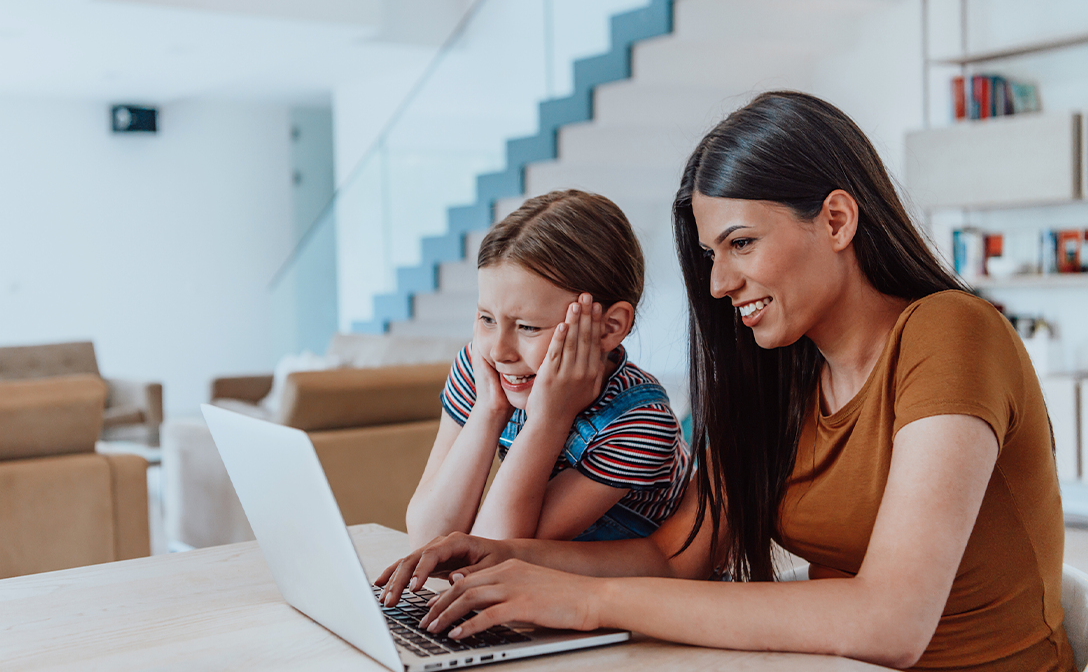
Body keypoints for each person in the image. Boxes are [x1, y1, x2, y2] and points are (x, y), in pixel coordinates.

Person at [377, 91, 1073, 671]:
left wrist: (584, 600)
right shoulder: (784, 375)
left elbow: (890, 619)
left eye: (741, 243)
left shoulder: (952, 331)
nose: (717, 282)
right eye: (712, 253)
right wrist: (507, 558)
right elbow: (671, 556)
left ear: (836, 219)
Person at [405, 189, 691, 550]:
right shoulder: (484, 371)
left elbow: (496, 551)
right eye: (487, 318)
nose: (499, 350)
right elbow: (428, 538)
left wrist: (549, 418)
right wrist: (489, 410)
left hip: (636, 597)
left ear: (609, 327)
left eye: (528, 327)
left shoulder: (641, 422)